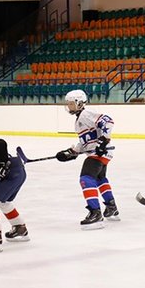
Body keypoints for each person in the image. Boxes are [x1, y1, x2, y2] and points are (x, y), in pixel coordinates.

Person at [55, 89, 119, 230]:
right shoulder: (79, 120)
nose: (69, 106)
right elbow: (85, 143)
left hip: (100, 152)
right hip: (101, 152)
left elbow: (108, 122)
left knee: (86, 178)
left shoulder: (86, 114)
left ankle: (95, 213)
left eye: (71, 103)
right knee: (99, 179)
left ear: (79, 103)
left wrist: (103, 141)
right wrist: (71, 152)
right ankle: (111, 207)